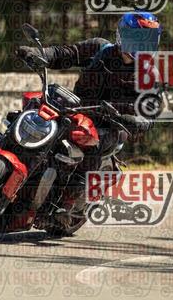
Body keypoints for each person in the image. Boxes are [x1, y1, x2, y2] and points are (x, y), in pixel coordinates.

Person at [15, 12, 161, 227]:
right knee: (34, 106)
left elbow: (151, 110)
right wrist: (39, 54)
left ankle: (66, 203)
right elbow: (65, 54)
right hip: (77, 108)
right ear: (121, 35)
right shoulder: (100, 48)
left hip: (112, 123)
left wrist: (138, 120)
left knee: (96, 142)